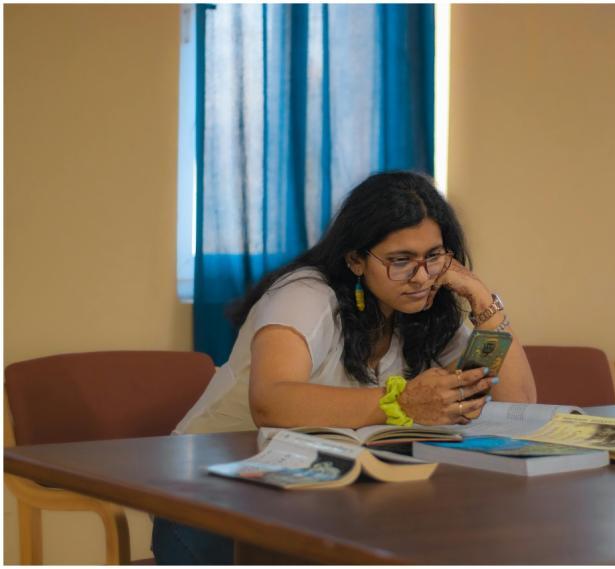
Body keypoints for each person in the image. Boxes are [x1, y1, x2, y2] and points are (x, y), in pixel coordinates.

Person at [152, 171, 536, 564]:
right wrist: (402, 402)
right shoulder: (303, 295)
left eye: (434, 256)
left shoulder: (425, 307)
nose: (422, 277)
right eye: (400, 260)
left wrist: (482, 300)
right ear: (355, 260)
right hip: (210, 494)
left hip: (318, 496)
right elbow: (271, 402)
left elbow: (520, 403)